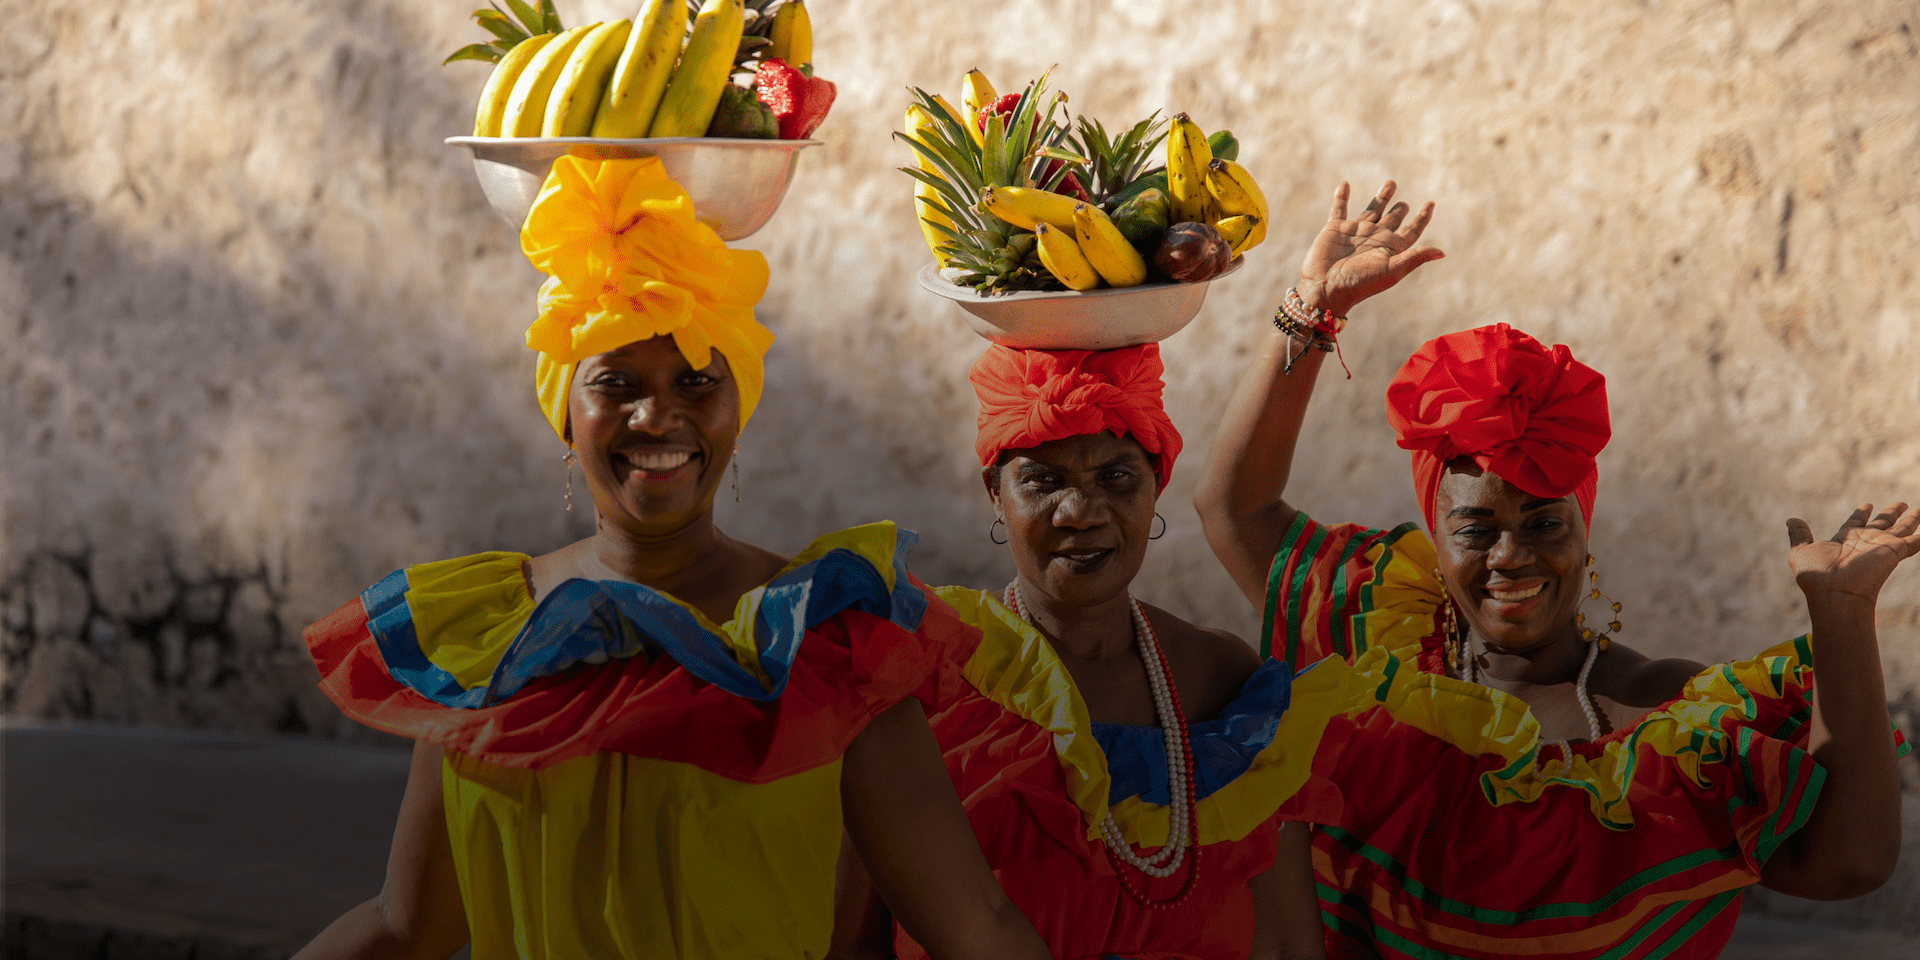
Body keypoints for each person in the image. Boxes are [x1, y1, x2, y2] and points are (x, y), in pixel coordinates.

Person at [292, 156, 1052, 960]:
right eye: (615, 382)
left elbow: (977, 930)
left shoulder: (824, 641)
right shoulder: (481, 643)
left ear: (737, 407)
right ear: (565, 412)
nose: (657, 416)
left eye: (696, 381)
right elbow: (410, 927)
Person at [1194, 180, 1915, 958]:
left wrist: (1842, 615)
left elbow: (1846, 865)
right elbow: (1232, 509)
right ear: (1435, 538)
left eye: (1544, 523)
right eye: (1475, 528)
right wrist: (1312, 305)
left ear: (1583, 531)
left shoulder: (1666, 721)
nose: (1512, 556)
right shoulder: (1376, 644)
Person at [835, 344, 1343, 960]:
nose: (1080, 513)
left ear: (1158, 482)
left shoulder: (1224, 682)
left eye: (1116, 477)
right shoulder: (930, 681)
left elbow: (1287, 941)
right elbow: (859, 941)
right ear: (996, 494)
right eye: (1043, 482)